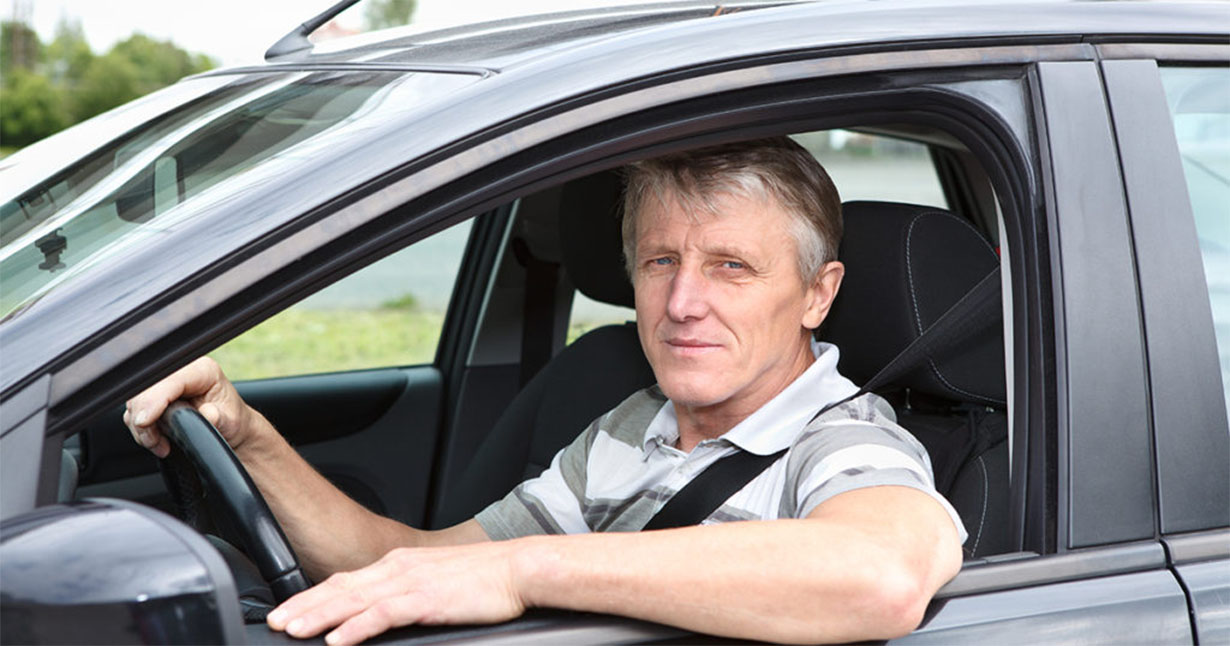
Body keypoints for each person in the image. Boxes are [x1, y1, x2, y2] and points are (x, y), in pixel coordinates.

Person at [125, 137, 964, 646]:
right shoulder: (630, 426)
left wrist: (525, 571)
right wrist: (246, 435)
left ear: (817, 294)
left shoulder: (847, 439)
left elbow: (881, 575)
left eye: (731, 267)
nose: (682, 303)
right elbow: (414, 567)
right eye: (660, 261)